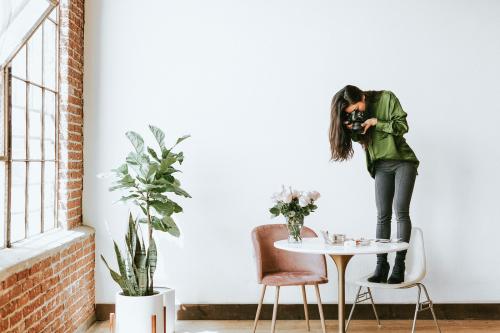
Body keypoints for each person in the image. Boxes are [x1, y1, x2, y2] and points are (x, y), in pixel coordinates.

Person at [329, 85, 419, 284]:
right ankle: (381, 265)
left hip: (403, 161)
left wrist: (376, 121)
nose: (357, 113)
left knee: (401, 212)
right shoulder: (357, 113)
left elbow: (402, 126)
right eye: (351, 113)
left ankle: (399, 265)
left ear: (361, 96)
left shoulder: (386, 98)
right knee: (382, 215)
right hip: (380, 165)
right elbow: (361, 138)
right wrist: (350, 128)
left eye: (356, 109)